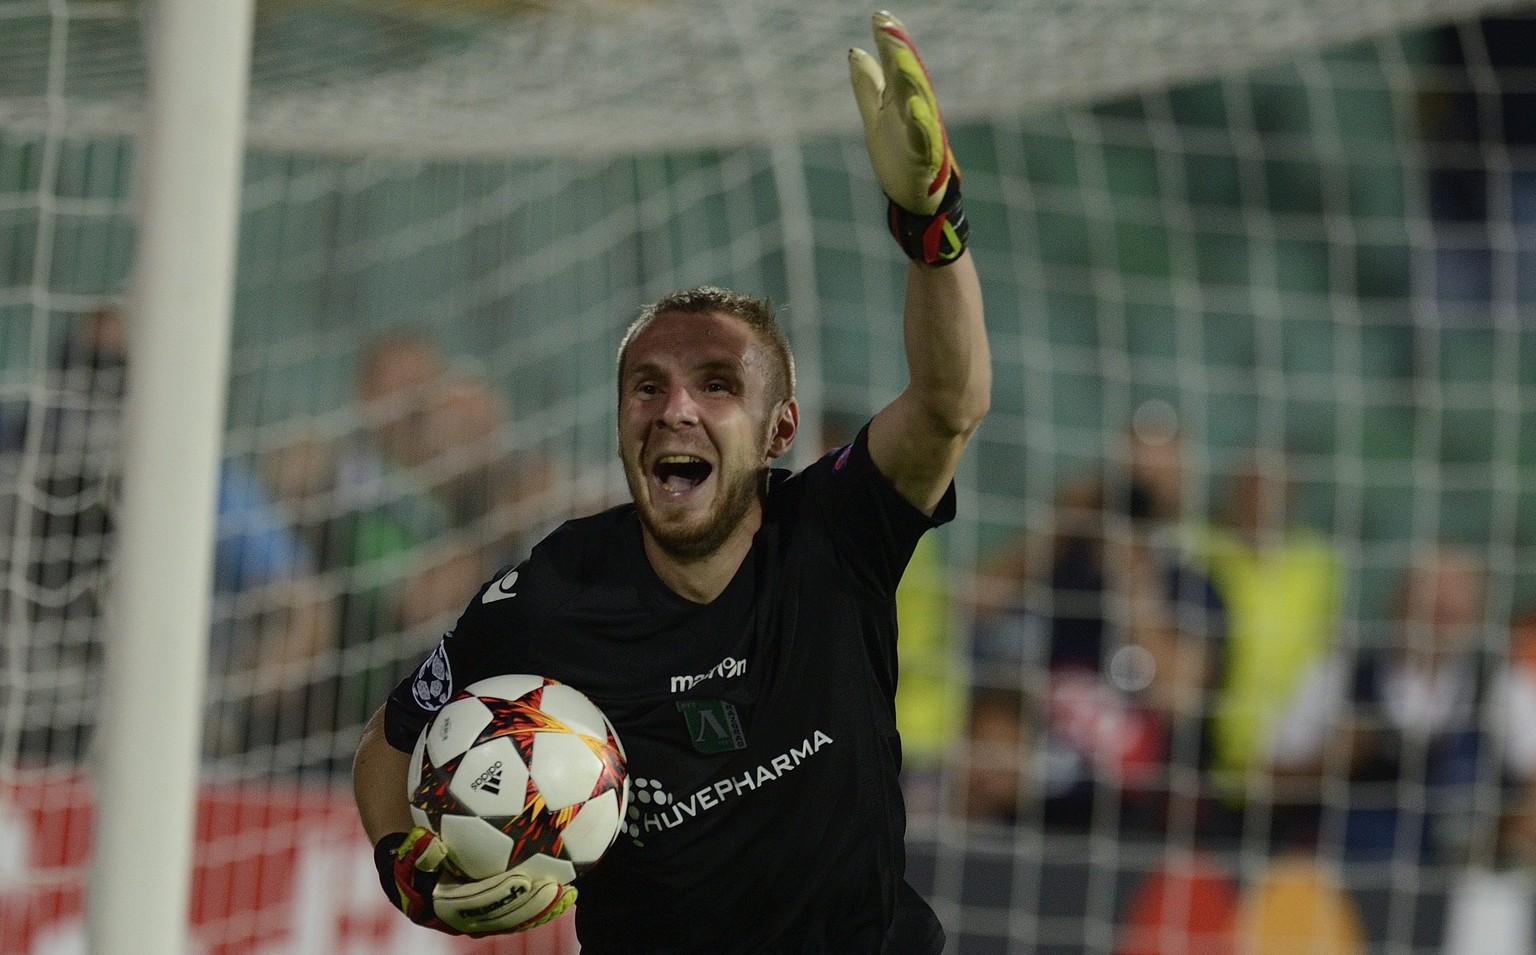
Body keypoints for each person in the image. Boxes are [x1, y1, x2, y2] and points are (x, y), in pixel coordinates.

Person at [352, 13, 987, 951]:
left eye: (717, 384)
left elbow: (948, 401)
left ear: (781, 430)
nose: (675, 407)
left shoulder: (833, 533)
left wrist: (934, 227)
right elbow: (388, 744)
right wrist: (403, 862)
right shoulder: (552, 596)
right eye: (646, 386)